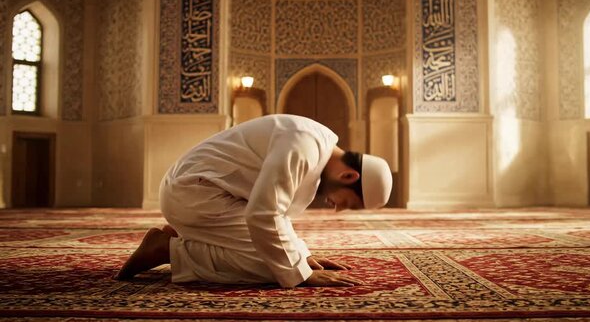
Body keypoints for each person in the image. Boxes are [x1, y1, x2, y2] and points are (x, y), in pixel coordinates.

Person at [115, 114, 393, 288]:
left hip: (207, 194)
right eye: (349, 203)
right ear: (348, 175)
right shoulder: (304, 145)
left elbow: (276, 211)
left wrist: (303, 254)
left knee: (282, 258)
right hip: (194, 194)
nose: (339, 208)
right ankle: (168, 250)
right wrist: (302, 272)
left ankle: (188, 239)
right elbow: (264, 215)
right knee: (273, 268)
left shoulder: (314, 144)